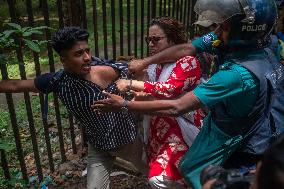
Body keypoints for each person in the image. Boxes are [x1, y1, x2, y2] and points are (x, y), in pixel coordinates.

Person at [92, 0, 282, 188]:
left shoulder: (235, 75)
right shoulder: (263, 44)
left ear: (242, 30)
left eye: (222, 27)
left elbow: (177, 105)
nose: (214, 33)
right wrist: (145, 62)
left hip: (240, 132)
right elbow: (189, 47)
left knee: (197, 170)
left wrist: (124, 104)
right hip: (241, 117)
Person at [0, 27, 146, 189]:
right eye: (78, 54)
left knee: (158, 178)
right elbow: (15, 85)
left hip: (128, 142)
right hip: (98, 146)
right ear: (63, 60)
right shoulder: (58, 82)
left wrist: (135, 101)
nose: (87, 58)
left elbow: (140, 74)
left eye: (87, 51)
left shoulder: (105, 72)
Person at [115, 17, 202, 188]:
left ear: (173, 39)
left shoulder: (188, 61)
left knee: (161, 178)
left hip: (181, 130)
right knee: (169, 177)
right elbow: (149, 90)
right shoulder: (155, 65)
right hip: (157, 129)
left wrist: (131, 84)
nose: (151, 44)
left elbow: (169, 89)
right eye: (149, 40)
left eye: (156, 39)